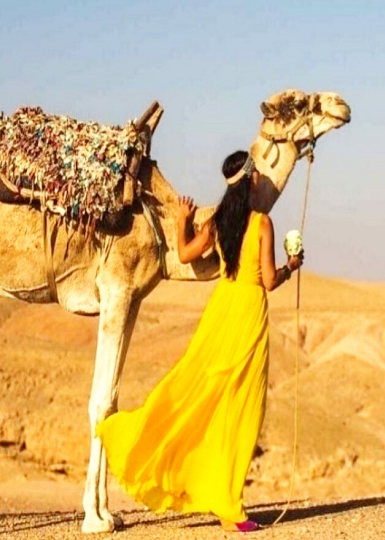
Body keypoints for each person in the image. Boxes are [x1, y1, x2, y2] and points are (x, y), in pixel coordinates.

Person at [96, 150, 304, 532]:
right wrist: (291, 266)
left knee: (199, 393)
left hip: (221, 308)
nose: (259, 176)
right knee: (241, 408)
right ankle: (229, 505)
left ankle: (220, 497)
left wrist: (182, 223)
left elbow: (188, 253)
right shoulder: (262, 223)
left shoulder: (219, 219)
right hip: (247, 314)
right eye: (256, 172)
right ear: (250, 179)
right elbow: (270, 281)